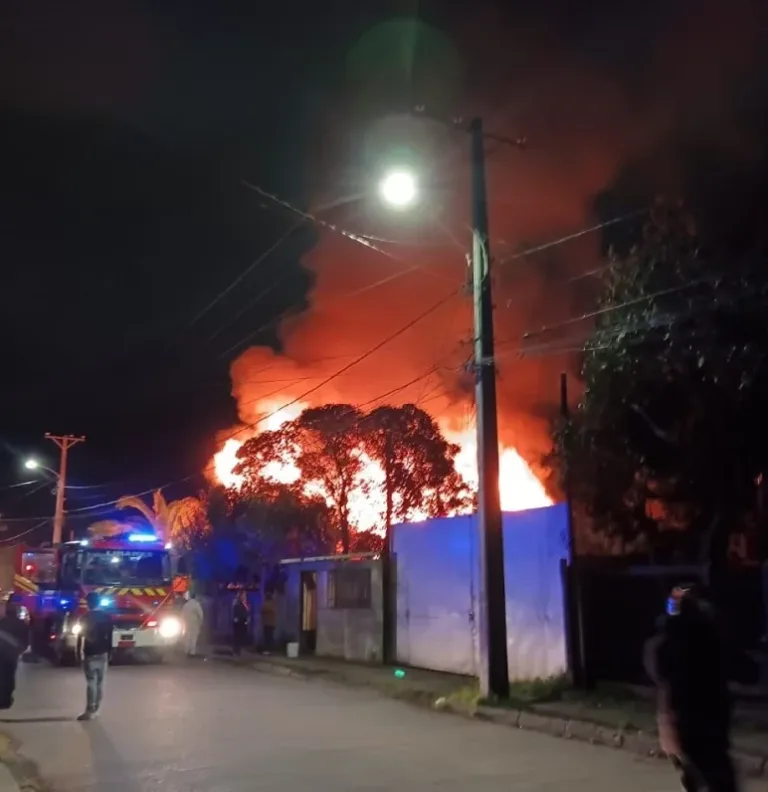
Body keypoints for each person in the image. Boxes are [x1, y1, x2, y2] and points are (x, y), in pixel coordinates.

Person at [644, 583, 738, 792]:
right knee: (713, 768)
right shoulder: (707, 634)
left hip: (688, 716)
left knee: (700, 767)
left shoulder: (669, 640)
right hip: (705, 713)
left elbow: (659, 672)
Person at [76, 591, 114, 721]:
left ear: (88, 603)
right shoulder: (107, 617)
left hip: (90, 653)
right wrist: (110, 652)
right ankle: (96, 709)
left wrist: (77, 652)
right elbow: (110, 637)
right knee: (100, 683)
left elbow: (80, 636)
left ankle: (89, 710)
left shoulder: (84, 618)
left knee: (91, 682)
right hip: (103, 653)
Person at [0, 600, 30, 709]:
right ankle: (6, 699)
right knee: (9, 676)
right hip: (12, 655)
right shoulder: (21, 624)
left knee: (2, 676)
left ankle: (2, 699)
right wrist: (20, 650)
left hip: (2, 653)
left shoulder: (2, 622)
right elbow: (26, 640)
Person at [181, 590, 204, 658]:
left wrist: (182, 622)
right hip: (194, 622)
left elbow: (182, 614)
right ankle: (192, 651)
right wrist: (201, 622)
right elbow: (200, 614)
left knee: (187, 636)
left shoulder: (186, 605)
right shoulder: (196, 604)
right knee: (194, 636)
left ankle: (186, 650)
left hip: (186, 622)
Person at [232, 590, 250, 656]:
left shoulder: (245, 603)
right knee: (237, 636)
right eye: (243, 595)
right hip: (238, 621)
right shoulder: (236, 602)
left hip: (244, 621)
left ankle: (241, 650)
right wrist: (236, 618)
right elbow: (235, 611)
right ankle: (236, 650)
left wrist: (247, 618)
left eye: (245, 595)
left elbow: (247, 611)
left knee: (243, 636)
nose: (244, 597)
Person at [260, 590, 276, 654]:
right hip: (270, 623)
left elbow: (263, 609)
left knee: (268, 637)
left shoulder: (269, 604)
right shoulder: (273, 604)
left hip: (268, 623)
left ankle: (268, 650)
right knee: (269, 637)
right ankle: (269, 650)